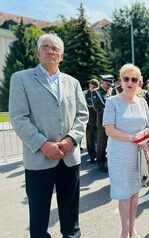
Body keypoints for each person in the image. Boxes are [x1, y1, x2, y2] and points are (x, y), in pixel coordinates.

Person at [9, 33, 88, 238]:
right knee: (39, 218)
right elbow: (19, 117)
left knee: (71, 218)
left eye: (55, 48)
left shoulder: (73, 82)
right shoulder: (21, 79)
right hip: (39, 158)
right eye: (46, 46)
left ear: (61, 56)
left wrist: (71, 140)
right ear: (38, 52)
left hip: (69, 159)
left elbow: (82, 115)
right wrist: (43, 144)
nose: (51, 51)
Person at [103, 64, 149, 238]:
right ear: (120, 81)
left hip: (138, 154)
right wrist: (133, 138)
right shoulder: (112, 101)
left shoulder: (143, 102)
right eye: (126, 78)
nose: (130, 82)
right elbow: (109, 130)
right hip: (120, 154)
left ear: (139, 82)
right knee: (124, 194)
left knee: (135, 192)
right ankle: (124, 231)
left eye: (134, 79)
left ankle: (133, 227)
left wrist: (141, 135)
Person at [93, 74, 114, 172]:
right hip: (102, 122)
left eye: (110, 84)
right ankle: (100, 163)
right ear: (103, 82)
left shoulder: (111, 92)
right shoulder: (96, 92)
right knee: (102, 143)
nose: (110, 86)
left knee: (110, 143)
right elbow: (97, 108)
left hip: (112, 122)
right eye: (108, 83)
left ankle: (107, 160)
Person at [84, 79, 99, 163]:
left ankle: (99, 155)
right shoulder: (86, 94)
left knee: (98, 140)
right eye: (90, 85)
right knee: (89, 140)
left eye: (93, 86)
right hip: (88, 120)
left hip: (97, 120)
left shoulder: (98, 94)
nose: (91, 87)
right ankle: (92, 156)